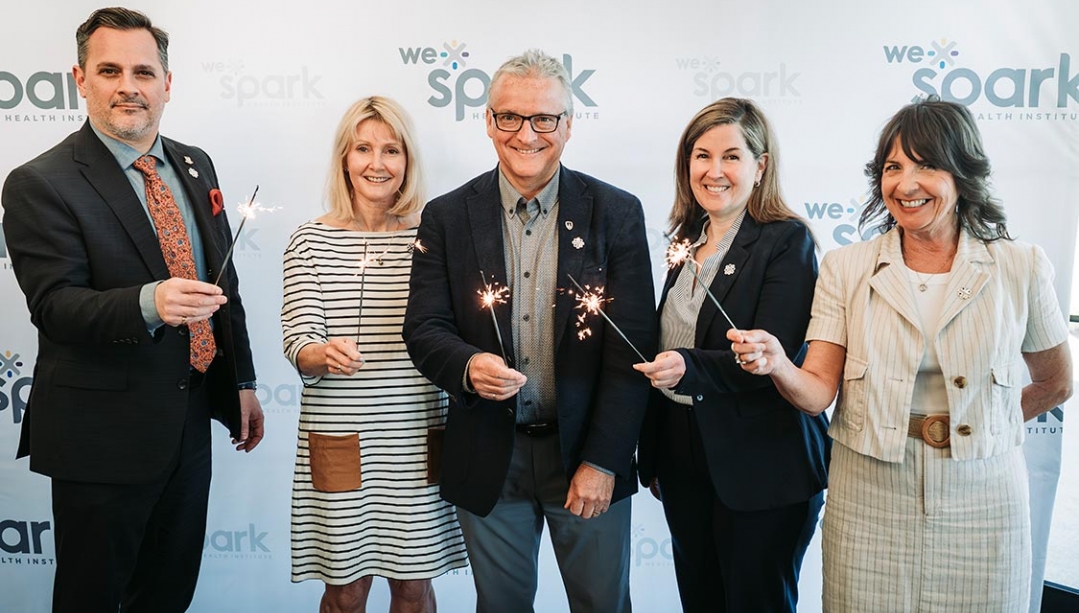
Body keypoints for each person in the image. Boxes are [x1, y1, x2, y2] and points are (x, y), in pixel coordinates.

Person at [730, 97, 1073, 612]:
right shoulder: (846, 267)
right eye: (893, 168)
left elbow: (1056, 382)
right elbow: (817, 391)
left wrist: (982, 422)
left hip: (984, 497)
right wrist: (779, 363)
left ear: (962, 173)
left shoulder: (1020, 266)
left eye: (926, 165)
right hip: (867, 496)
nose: (906, 184)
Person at [1, 7, 264, 613]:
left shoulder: (195, 164)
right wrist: (152, 301)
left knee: (168, 595)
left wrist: (242, 382)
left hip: (189, 422)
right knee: (93, 599)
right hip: (100, 437)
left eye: (143, 72)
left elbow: (224, 284)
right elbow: (55, 307)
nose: (129, 86)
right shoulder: (40, 182)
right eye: (110, 70)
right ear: (80, 79)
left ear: (166, 83)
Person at [402, 49, 656, 613]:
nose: (526, 134)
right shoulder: (446, 216)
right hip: (490, 456)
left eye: (544, 118)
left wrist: (604, 461)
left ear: (568, 124)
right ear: (489, 121)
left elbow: (632, 352)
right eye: (511, 117)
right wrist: (468, 366)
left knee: (602, 605)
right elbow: (423, 326)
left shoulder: (616, 213)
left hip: (586, 454)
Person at [633, 98, 829, 613]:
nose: (713, 171)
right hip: (683, 456)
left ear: (760, 166)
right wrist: (656, 452)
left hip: (762, 467)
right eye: (702, 156)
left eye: (731, 157)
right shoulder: (686, 241)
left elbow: (770, 357)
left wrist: (688, 366)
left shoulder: (785, 241)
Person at [281, 96, 467, 613]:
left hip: (417, 433)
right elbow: (298, 341)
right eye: (363, 148)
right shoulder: (309, 241)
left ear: (408, 160)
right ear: (344, 158)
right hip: (338, 432)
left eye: (391, 150)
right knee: (345, 592)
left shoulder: (433, 239)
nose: (377, 163)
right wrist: (322, 353)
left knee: (413, 588)